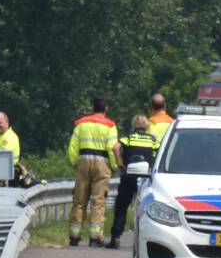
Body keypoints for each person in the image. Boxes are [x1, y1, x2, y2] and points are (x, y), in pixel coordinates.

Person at [67, 97, 118, 247]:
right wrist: (114, 166)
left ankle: (74, 235)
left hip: (83, 161)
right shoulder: (110, 126)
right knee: (98, 201)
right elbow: (112, 148)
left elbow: (73, 147)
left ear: (93, 108)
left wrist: (75, 163)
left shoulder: (81, 124)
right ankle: (95, 237)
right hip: (102, 164)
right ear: (106, 109)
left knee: (79, 200)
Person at [106, 115, 157, 249]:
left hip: (129, 176)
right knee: (146, 208)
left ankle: (115, 238)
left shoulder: (128, 138)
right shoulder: (152, 140)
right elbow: (160, 151)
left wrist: (120, 163)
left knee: (121, 206)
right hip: (145, 178)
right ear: (146, 126)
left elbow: (115, 148)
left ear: (133, 125)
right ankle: (148, 240)